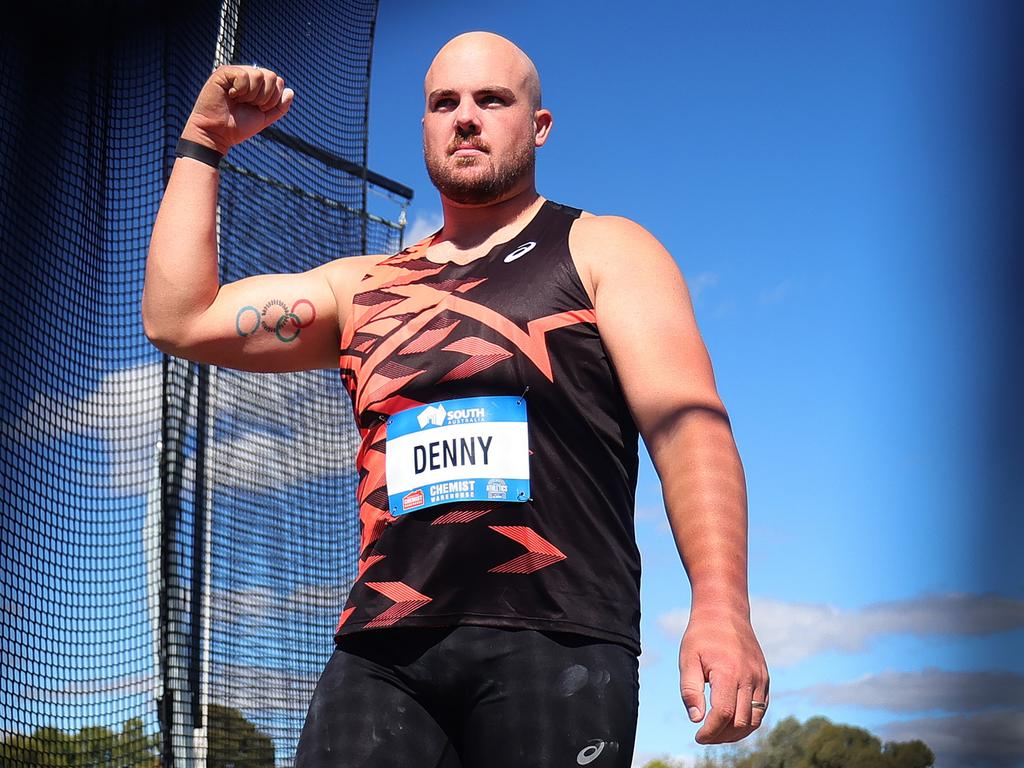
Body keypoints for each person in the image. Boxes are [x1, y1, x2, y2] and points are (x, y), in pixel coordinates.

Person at [143, 30, 769, 768]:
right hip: (384, 646)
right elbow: (179, 318)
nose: (465, 116)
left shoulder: (603, 250)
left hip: (555, 637)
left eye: (491, 99)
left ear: (538, 126)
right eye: (445, 102)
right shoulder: (363, 288)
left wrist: (722, 608)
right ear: (425, 129)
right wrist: (205, 142)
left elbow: (687, 427)